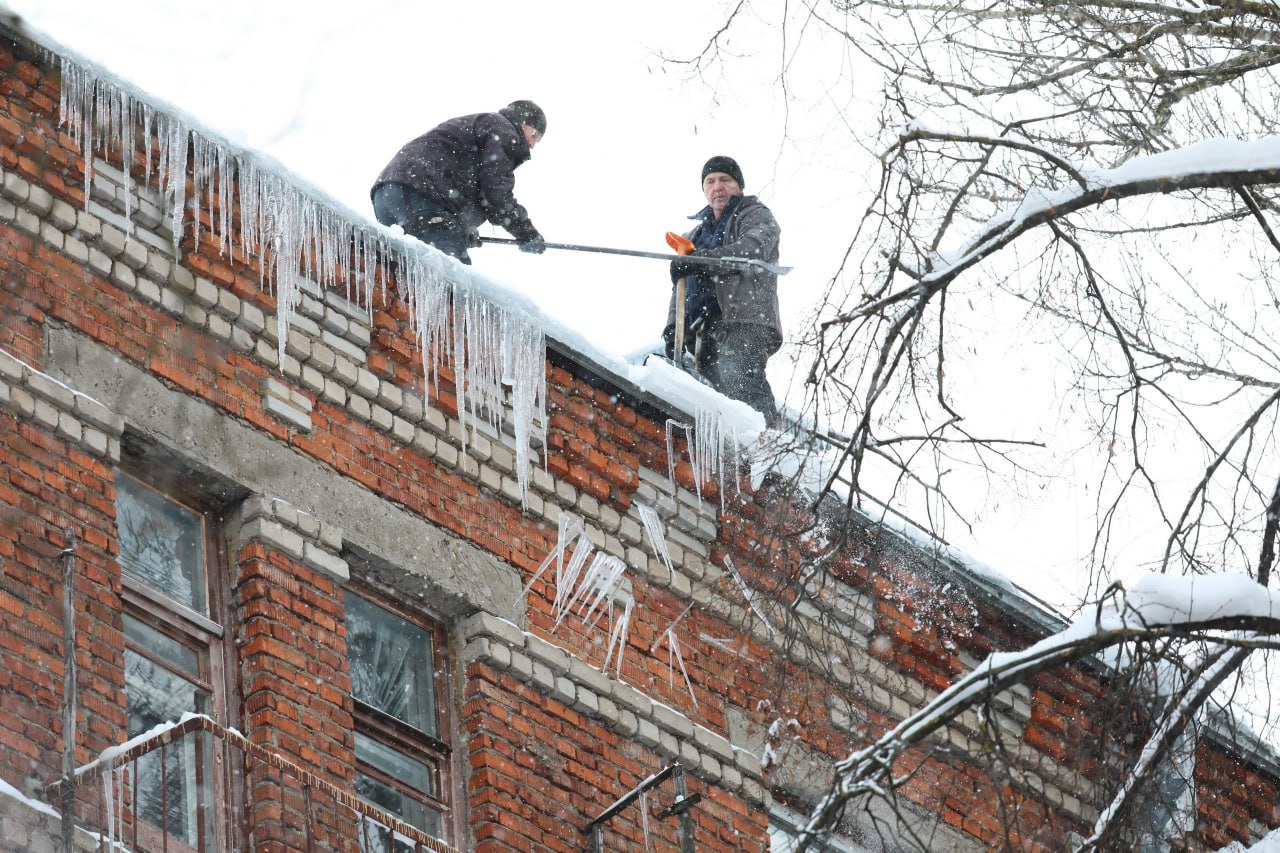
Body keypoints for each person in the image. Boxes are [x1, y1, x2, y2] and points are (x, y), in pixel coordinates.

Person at [664, 155, 782, 420]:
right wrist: (673, 328)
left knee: (743, 386)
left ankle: (766, 448)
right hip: (703, 333)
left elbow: (751, 251)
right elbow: (680, 290)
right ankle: (729, 458)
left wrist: (702, 261)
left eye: (725, 180)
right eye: (710, 181)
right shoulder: (694, 237)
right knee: (715, 405)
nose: (717, 186)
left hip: (742, 322)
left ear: (738, 186)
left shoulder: (755, 215)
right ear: (704, 190)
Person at [370, 100, 548, 264]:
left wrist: (463, 226)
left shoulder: (485, 125)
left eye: (537, 141)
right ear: (520, 122)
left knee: (399, 271)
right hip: (421, 194)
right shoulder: (504, 129)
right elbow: (496, 193)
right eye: (534, 134)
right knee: (455, 280)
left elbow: (472, 186)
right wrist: (526, 233)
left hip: (388, 195)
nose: (532, 144)